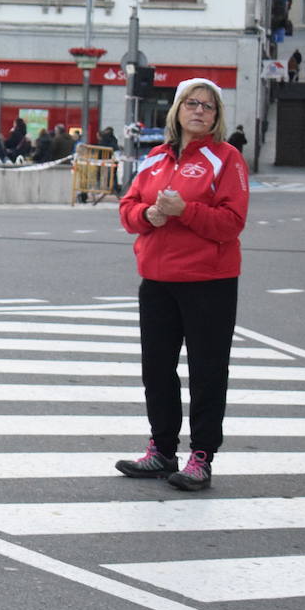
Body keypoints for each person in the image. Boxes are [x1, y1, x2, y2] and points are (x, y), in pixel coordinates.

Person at [116, 78, 248, 492]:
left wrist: (185, 211)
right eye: (191, 103)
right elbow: (127, 207)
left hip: (209, 281)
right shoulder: (153, 158)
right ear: (176, 110)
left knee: (207, 372)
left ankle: (202, 456)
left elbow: (231, 223)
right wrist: (147, 216)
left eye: (208, 106)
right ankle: (162, 449)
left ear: (217, 116)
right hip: (156, 280)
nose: (199, 111)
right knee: (156, 369)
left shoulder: (227, 159)